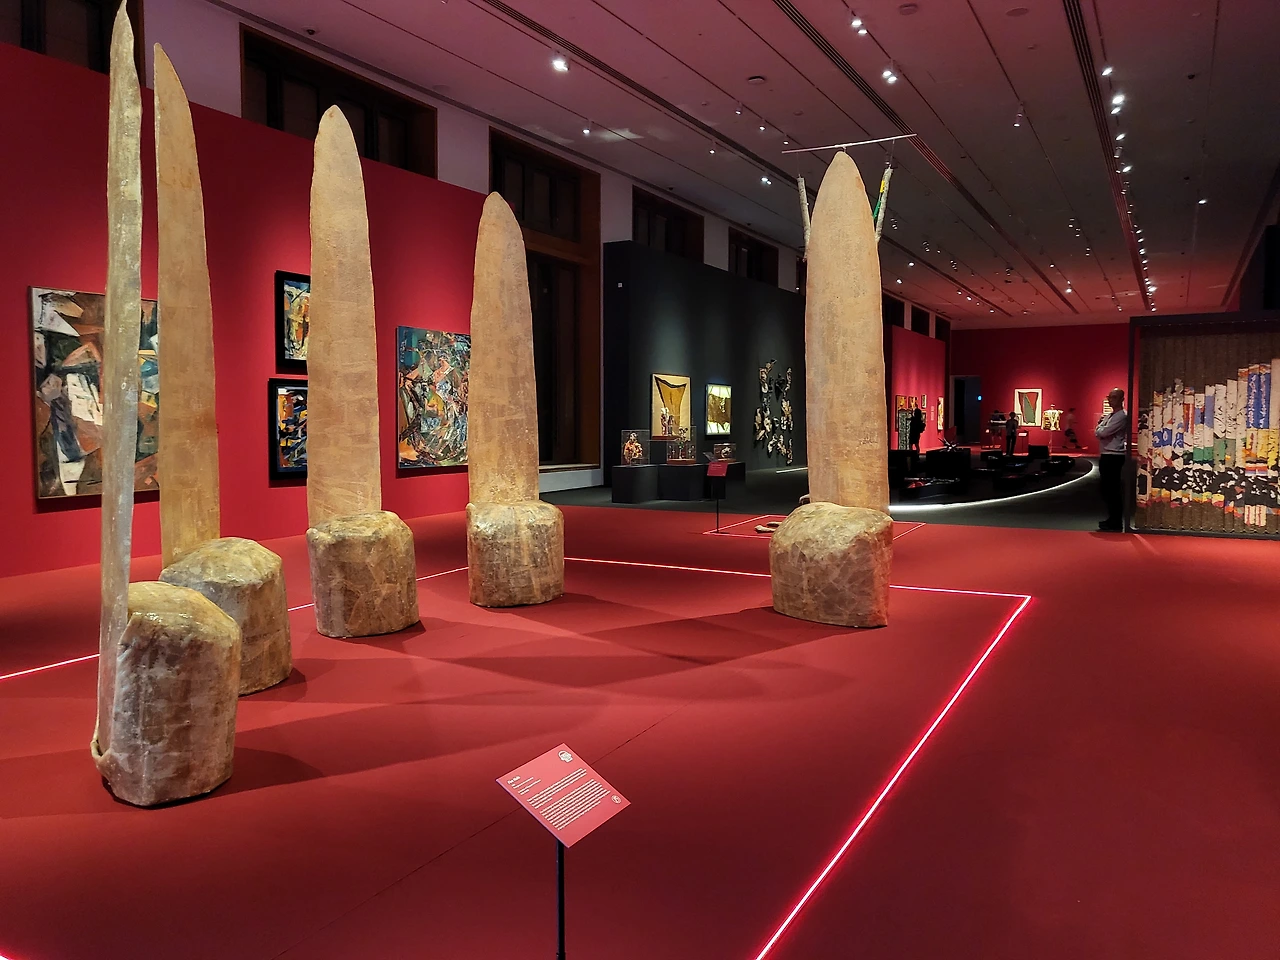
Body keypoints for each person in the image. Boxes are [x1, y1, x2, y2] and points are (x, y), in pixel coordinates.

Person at [1096, 388, 1130, 531]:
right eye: (1109, 397)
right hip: (1107, 454)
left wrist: (1100, 428)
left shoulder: (1121, 416)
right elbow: (1099, 430)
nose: (1110, 400)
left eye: (1114, 397)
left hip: (1114, 456)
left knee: (1112, 489)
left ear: (1122, 399)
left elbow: (1103, 432)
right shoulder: (1110, 415)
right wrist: (1100, 428)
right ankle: (1112, 518)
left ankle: (1116, 521)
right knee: (1107, 489)